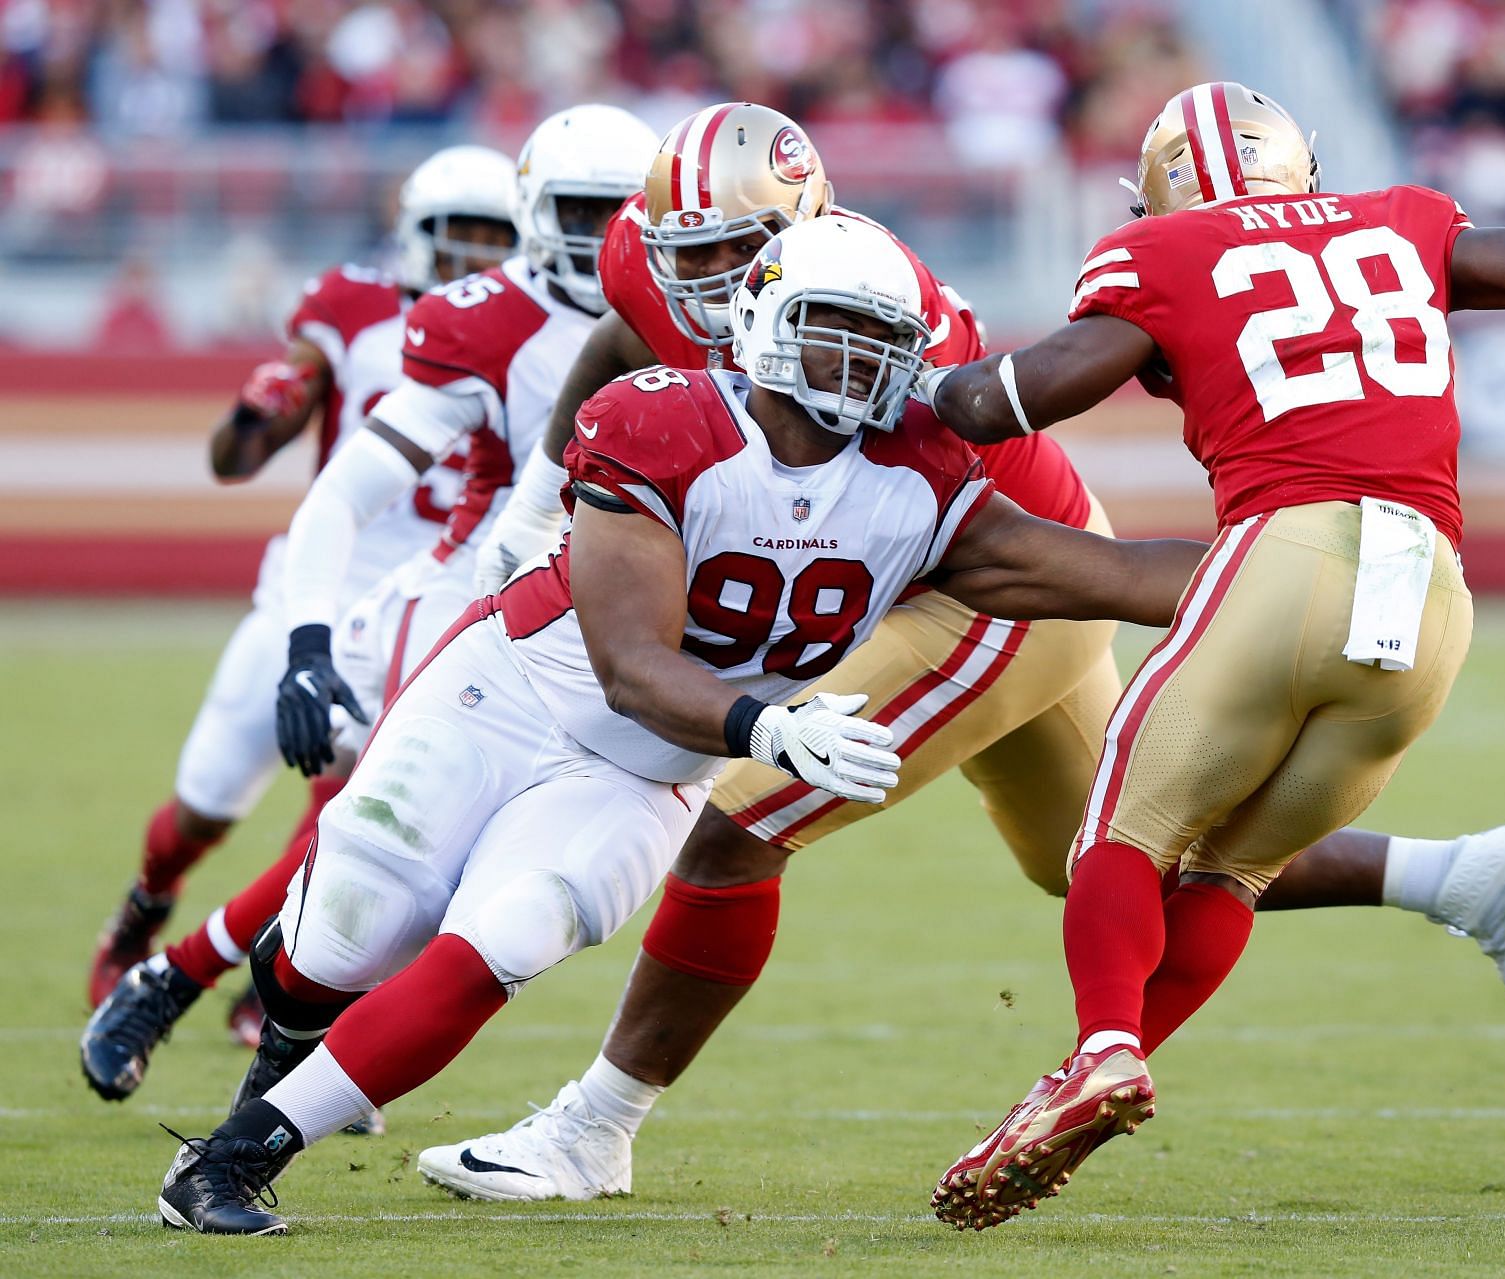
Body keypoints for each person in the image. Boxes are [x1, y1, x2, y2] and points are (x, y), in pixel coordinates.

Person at [412, 105, 1505, 1205]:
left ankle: (592, 1129)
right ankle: (1460, 875)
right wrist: (526, 520)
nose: (716, 280)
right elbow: (625, 333)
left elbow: (912, 481)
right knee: (1102, 868)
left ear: (808, 226)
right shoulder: (645, 259)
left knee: (737, 826)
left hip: (991, 589)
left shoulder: (881, 300)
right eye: (693, 250)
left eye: (746, 250)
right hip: (962, 583)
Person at [921, 81, 1505, 1229]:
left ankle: (1107, 1048)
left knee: (1120, 834)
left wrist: (940, 390)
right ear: (1300, 167)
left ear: (1157, 192)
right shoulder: (1399, 216)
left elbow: (1013, 400)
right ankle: (1083, 1077)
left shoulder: (1157, 251)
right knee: (1235, 868)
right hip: (1432, 593)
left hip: (1284, 553)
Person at [155, 215, 1204, 1236]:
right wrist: (767, 729)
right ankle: (282, 1035)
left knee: (505, 941)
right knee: (347, 928)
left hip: (649, 773)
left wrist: (1294, 556)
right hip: (511, 697)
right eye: (835, 324)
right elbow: (631, 665)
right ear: (763, 317)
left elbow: (1112, 572)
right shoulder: (662, 420)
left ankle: (234, 1157)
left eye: (885, 341)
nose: (857, 361)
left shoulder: (921, 477)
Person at [79, 106, 652, 1108]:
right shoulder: (481, 316)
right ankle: (187, 988)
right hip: (465, 600)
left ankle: (205, 1001)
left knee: (437, 880)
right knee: (376, 846)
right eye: (583, 209)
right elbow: (338, 492)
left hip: (595, 615)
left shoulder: (695, 304)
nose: (604, 233)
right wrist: (306, 639)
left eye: (624, 211)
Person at [81, 143, 518, 1042]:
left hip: (426, 604)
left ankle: (271, 986)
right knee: (202, 804)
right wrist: (261, 407)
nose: (473, 260)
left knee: (351, 811)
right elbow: (233, 461)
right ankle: (147, 903)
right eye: (456, 238)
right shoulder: (351, 309)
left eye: (492, 240)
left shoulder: (532, 329)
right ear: (413, 239)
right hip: (313, 595)